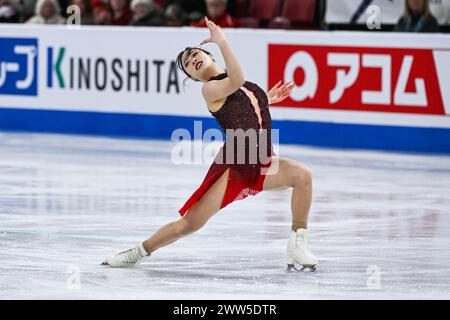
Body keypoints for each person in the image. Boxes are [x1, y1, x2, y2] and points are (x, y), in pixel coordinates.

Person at [103, 17, 319, 272]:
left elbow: (244, 106)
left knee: (302, 176)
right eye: (188, 64)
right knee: (190, 224)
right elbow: (236, 81)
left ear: (208, 55)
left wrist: (267, 99)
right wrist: (223, 41)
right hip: (235, 165)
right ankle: (139, 251)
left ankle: (297, 244)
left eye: (195, 53)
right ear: (193, 77)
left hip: (262, 161)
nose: (193, 59)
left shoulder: (244, 86)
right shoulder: (210, 90)